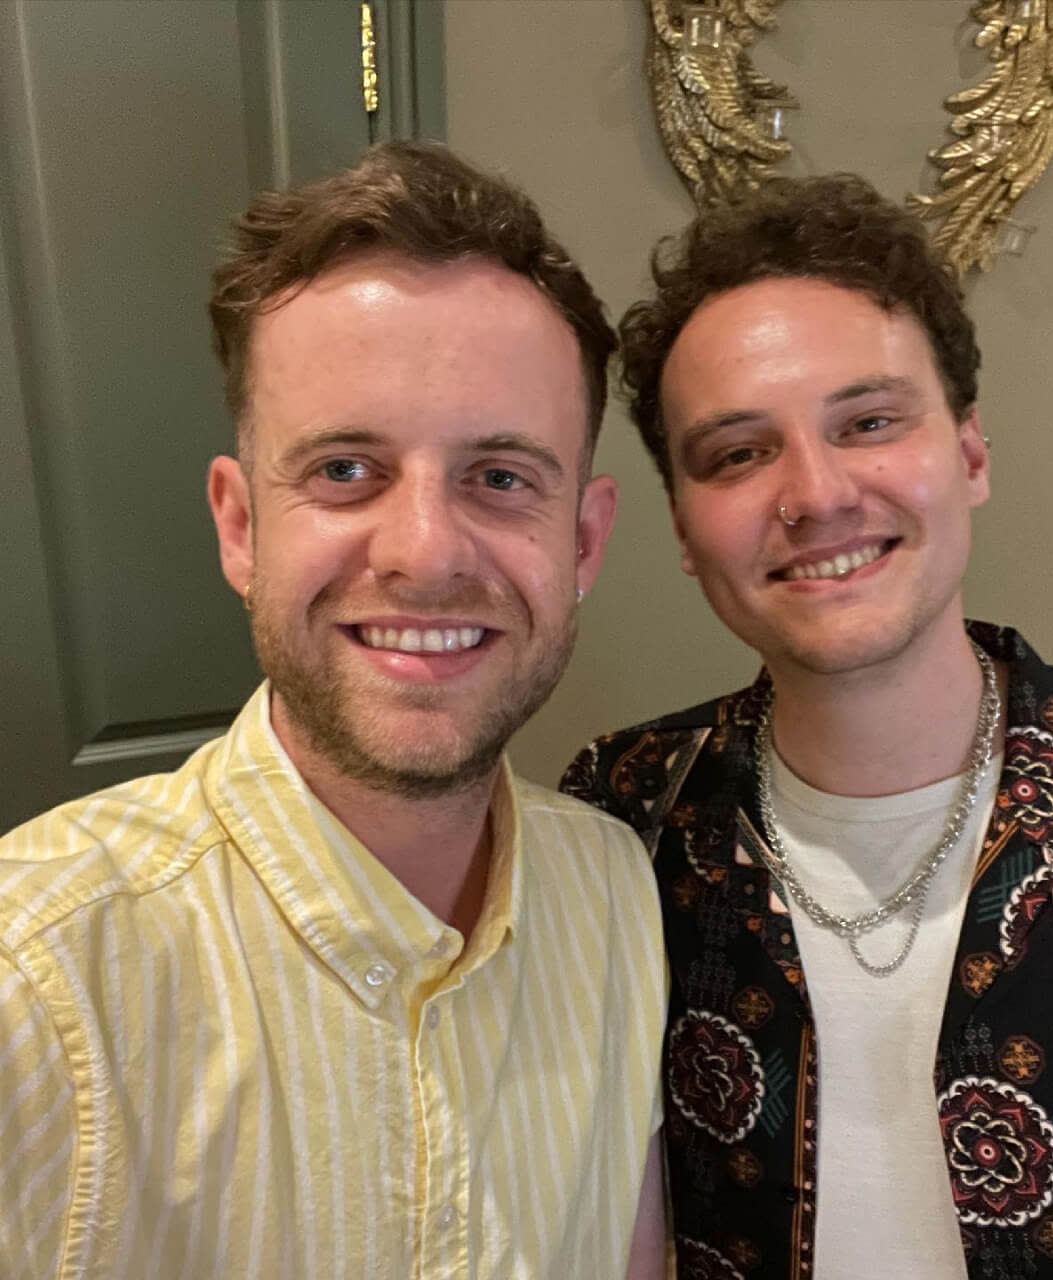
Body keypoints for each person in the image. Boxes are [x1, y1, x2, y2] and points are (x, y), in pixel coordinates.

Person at [562, 173, 1053, 1280]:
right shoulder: (618, 823)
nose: (814, 490)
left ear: (969, 453)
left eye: (867, 421)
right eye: (738, 453)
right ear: (683, 529)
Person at [0, 141, 667, 1280]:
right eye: (347, 470)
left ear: (584, 538)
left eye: (501, 476)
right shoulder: (36, 981)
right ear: (240, 524)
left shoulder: (615, 893)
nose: (423, 553)